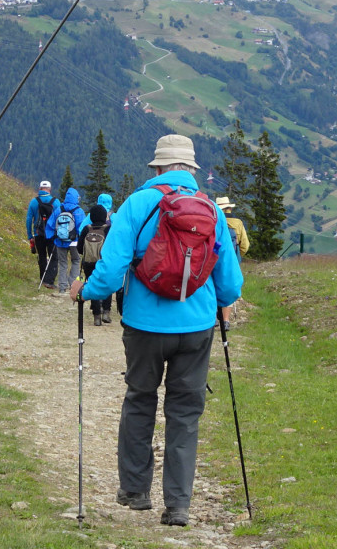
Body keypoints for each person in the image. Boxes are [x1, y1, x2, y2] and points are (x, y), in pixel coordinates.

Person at [69, 134, 243, 528]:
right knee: (184, 414)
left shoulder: (137, 205)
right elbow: (230, 286)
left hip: (145, 326)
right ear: (191, 170)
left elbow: (111, 272)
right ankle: (178, 506)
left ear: (159, 168)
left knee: (140, 399)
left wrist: (86, 291)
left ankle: (135, 490)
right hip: (197, 328)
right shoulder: (211, 212)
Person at [215, 196, 249, 330]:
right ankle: (226, 320)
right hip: (232, 261)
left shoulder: (214, 220)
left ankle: (213, 319)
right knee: (228, 286)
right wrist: (237, 257)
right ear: (229, 207)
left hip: (214, 259)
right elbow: (245, 245)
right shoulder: (238, 223)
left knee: (213, 287)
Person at [46, 186, 86, 297]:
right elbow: (82, 227)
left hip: (60, 241)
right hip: (74, 241)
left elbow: (50, 224)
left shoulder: (59, 209)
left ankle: (62, 287)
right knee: (76, 261)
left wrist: (52, 237)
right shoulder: (79, 211)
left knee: (62, 263)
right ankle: (73, 285)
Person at [78, 203, 112, 326]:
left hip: (89, 263)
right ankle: (106, 312)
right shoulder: (108, 229)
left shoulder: (87, 229)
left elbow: (79, 248)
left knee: (93, 286)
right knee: (106, 285)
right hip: (104, 262)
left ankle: (96, 316)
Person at [26, 180, 59, 289]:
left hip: (38, 233)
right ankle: (49, 281)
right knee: (53, 257)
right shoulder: (55, 202)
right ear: (49, 189)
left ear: (39, 189)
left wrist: (30, 235)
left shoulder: (34, 202)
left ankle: (42, 278)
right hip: (52, 234)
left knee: (42, 256)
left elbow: (29, 219)